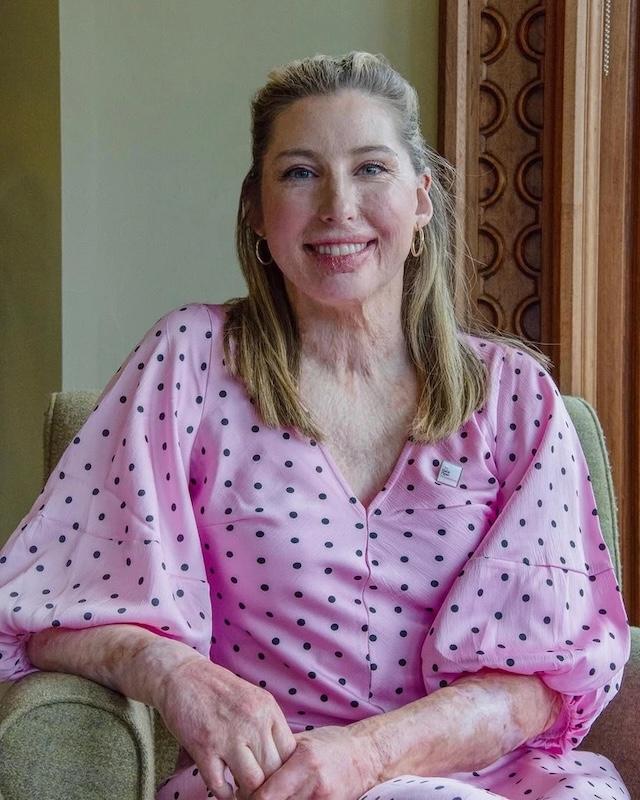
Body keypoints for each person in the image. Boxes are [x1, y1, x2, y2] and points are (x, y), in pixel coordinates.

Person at [0, 51, 631, 800]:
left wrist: (366, 756)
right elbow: (39, 607)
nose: (339, 206)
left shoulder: (515, 395)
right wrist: (173, 672)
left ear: (422, 201)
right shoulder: (190, 362)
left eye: (372, 169)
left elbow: (545, 682)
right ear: (256, 211)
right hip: (273, 782)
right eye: (300, 173)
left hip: (491, 783)